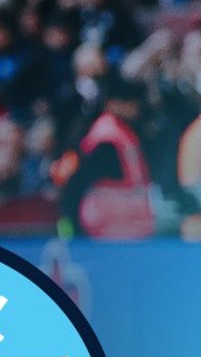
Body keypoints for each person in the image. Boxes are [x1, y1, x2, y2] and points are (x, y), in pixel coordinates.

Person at [59, 76, 156, 239]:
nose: (136, 108)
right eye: (130, 103)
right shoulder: (106, 141)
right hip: (107, 229)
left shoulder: (123, 133)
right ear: (113, 104)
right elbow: (76, 184)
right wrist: (71, 230)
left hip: (126, 226)